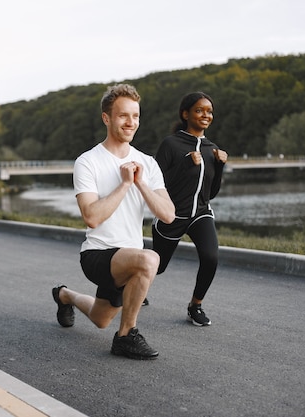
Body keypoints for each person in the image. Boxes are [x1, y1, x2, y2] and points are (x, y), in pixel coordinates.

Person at [52, 84, 175, 360]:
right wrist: (123, 185)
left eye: (135, 116)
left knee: (100, 318)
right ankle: (125, 337)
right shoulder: (88, 162)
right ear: (107, 118)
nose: (131, 122)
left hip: (127, 259)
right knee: (150, 259)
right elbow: (91, 217)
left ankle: (64, 296)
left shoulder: (147, 163)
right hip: (97, 256)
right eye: (123, 116)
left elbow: (168, 215)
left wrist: (140, 183)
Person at [151, 92, 227, 326]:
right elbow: (157, 185)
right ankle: (131, 285)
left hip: (201, 214)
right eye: (199, 110)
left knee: (211, 257)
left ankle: (195, 306)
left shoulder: (212, 149)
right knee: (158, 267)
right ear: (186, 114)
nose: (206, 115)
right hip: (171, 214)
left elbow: (210, 193)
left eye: (209, 111)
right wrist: (185, 164)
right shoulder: (171, 144)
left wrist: (220, 167)